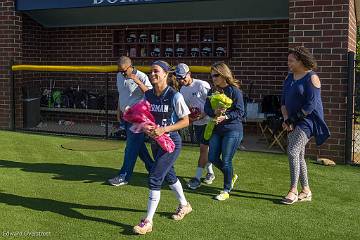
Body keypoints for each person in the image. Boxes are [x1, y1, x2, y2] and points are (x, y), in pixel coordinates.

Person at [133, 60, 192, 235]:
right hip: (155, 141)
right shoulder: (148, 95)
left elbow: (186, 121)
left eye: (156, 71)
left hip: (171, 142)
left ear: (166, 74)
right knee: (170, 175)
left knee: (155, 177)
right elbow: (145, 116)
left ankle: (148, 221)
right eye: (151, 72)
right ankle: (184, 205)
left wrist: (164, 129)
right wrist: (144, 125)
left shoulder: (175, 95)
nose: (152, 74)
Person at [280, 46, 330, 204]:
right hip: (291, 120)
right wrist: (287, 118)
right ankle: (306, 190)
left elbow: (310, 106)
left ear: (301, 61)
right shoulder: (289, 78)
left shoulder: (312, 78)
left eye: (291, 61)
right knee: (299, 155)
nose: (288, 63)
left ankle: (293, 190)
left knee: (293, 151)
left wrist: (292, 120)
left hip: (308, 121)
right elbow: (283, 101)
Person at [108, 56, 154, 186]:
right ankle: (153, 169)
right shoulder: (119, 76)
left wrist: (138, 81)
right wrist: (118, 111)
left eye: (124, 71)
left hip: (138, 118)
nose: (122, 73)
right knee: (137, 146)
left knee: (131, 147)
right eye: (120, 70)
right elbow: (121, 95)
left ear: (130, 66)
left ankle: (124, 175)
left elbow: (150, 95)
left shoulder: (142, 76)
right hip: (125, 116)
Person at [204, 62, 245, 201]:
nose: (213, 78)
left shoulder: (234, 90)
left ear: (223, 75)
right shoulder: (212, 91)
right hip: (217, 129)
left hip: (233, 130)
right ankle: (231, 175)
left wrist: (226, 116)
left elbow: (240, 112)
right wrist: (213, 112)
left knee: (226, 161)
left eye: (216, 75)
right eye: (212, 76)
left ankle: (226, 189)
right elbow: (207, 109)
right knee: (212, 158)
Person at [174, 63, 215, 190]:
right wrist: (190, 119)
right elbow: (186, 109)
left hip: (209, 122)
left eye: (183, 77)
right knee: (204, 150)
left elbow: (213, 105)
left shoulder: (202, 85)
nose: (181, 80)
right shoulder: (182, 90)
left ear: (189, 74)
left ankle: (197, 178)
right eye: (179, 78)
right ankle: (210, 173)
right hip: (197, 123)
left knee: (204, 149)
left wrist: (203, 114)